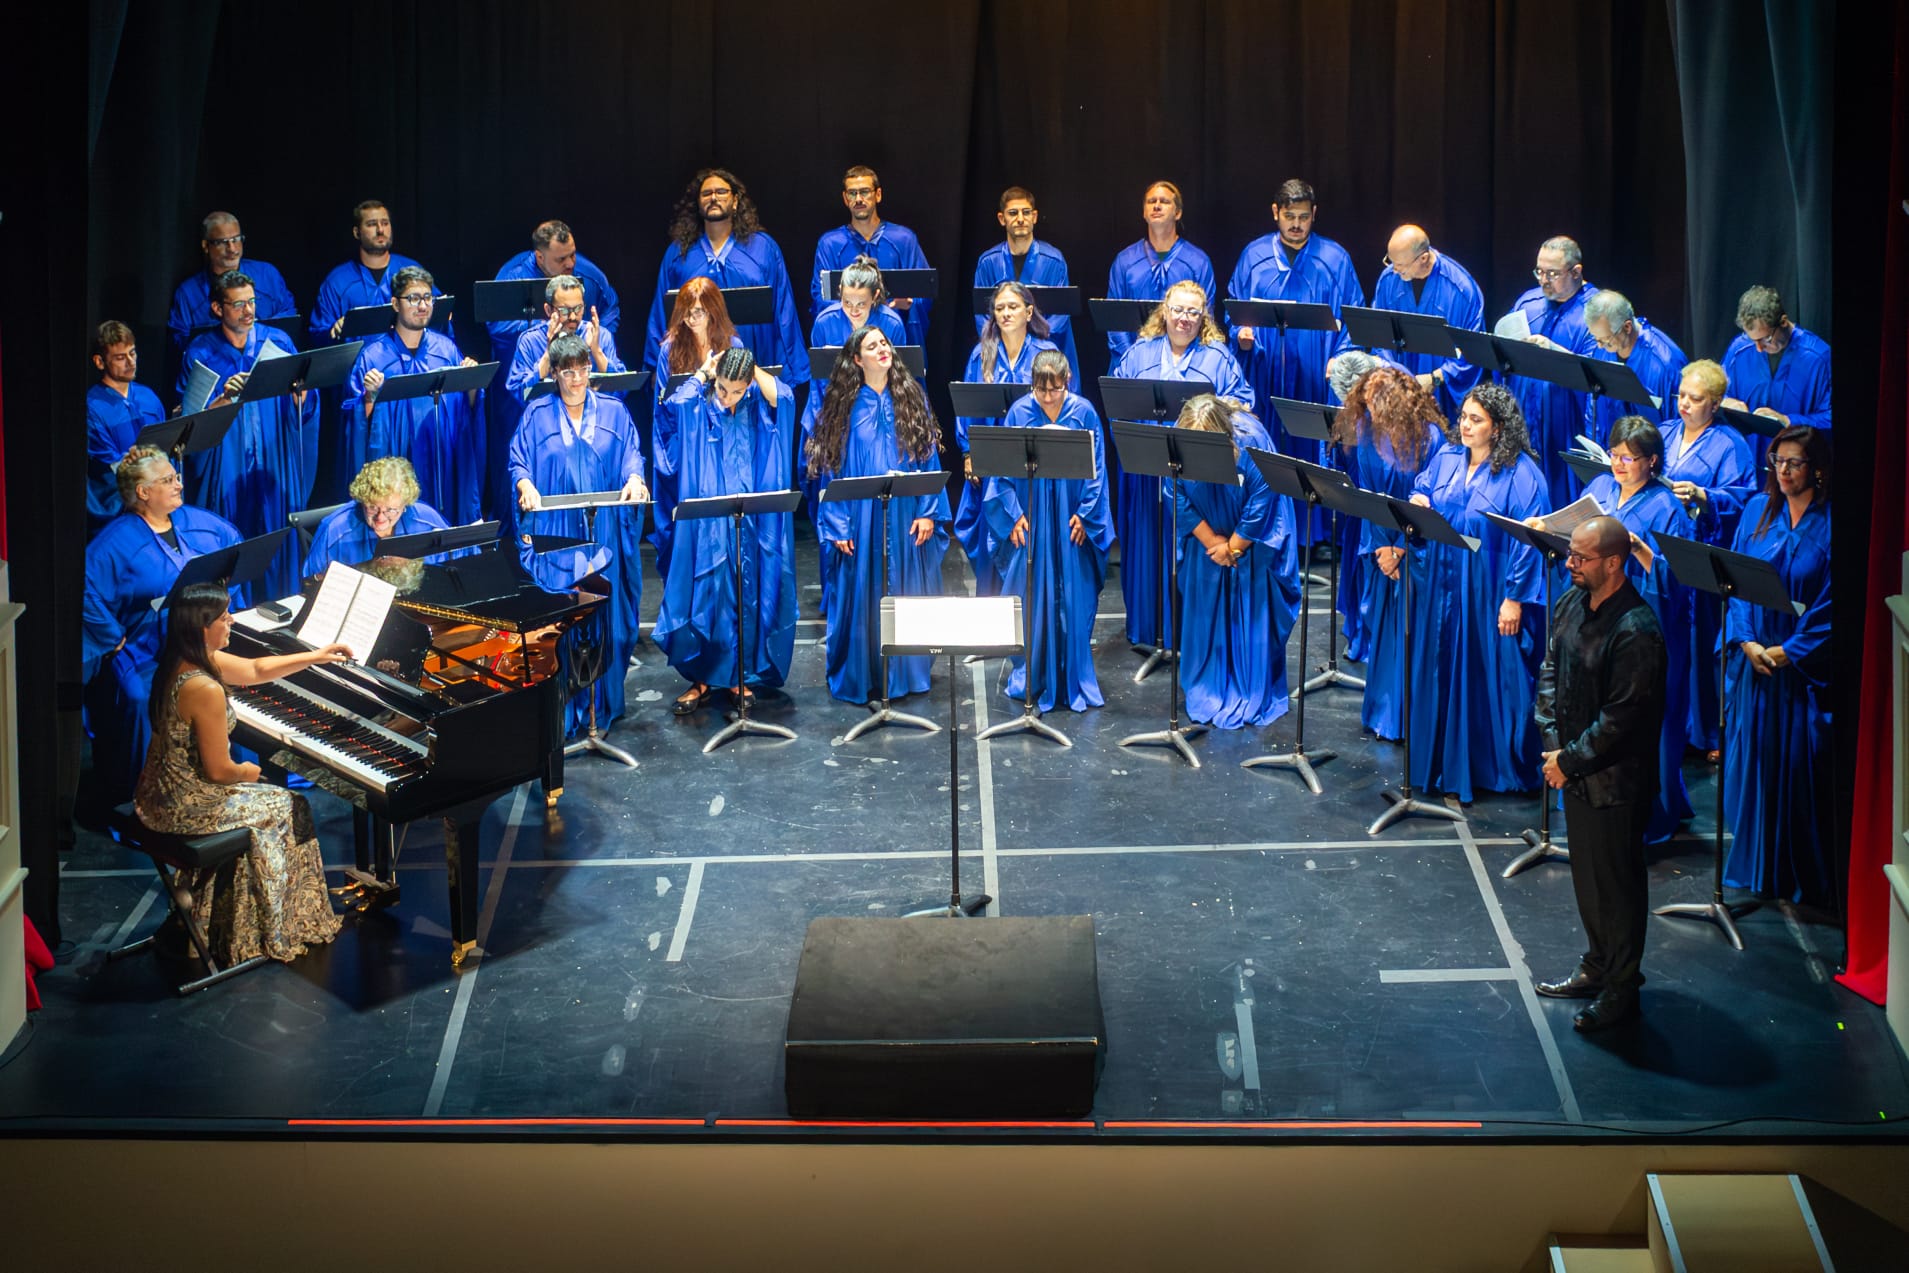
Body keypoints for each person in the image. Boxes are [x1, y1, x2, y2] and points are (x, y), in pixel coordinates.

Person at [133, 582, 348, 965]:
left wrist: (316, 656)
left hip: (158, 793)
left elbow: (254, 669)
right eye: (224, 617)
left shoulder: (184, 659)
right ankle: (272, 929)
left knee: (276, 800)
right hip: (185, 806)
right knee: (291, 805)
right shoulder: (204, 688)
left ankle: (212, 918)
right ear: (203, 627)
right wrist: (248, 771)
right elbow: (219, 771)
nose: (232, 620)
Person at [1534, 515, 1669, 1033]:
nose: (1569, 563)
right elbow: (1550, 670)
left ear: (1613, 563)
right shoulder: (1571, 601)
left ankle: (1622, 987)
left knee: (1617, 886)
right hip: (1573, 771)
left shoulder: (1637, 629)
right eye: (1571, 553)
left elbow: (1621, 719)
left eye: (1580, 557)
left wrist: (1567, 760)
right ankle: (1597, 965)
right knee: (1588, 881)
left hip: (1615, 782)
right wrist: (1554, 746)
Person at [1406, 383, 1551, 801]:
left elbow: (1530, 540)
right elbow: (1423, 487)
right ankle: (1440, 760)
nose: (1465, 426)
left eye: (1476, 420)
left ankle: (1492, 767)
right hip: (1444, 584)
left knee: (1491, 673)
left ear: (1498, 427)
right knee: (1440, 665)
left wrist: (1514, 598)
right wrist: (1419, 498)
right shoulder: (1448, 457)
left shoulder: (1523, 474)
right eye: (1464, 417)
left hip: (1490, 588)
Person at [82, 446, 245, 812]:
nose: (179, 484)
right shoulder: (115, 541)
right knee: (139, 697)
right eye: (168, 480)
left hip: (194, 645)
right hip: (144, 649)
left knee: (230, 682)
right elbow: (85, 590)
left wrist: (219, 604)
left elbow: (234, 547)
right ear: (143, 492)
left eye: (177, 476)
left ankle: (219, 779)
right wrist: (113, 637)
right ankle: (137, 801)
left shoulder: (196, 521)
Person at [509, 335, 649, 739]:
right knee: (564, 614)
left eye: (583, 370)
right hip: (558, 532)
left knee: (606, 613)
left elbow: (632, 455)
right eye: (568, 372)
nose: (577, 379)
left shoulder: (614, 411)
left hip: (602, 528)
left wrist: (635, 478)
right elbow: (518, 461)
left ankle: (600, 706)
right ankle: (566, 708)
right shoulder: (536, 414)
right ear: (555, 373)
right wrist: (524, 484)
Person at [807, 326, 949, 705]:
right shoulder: (843, 406)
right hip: (860, 516)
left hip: (905, 514)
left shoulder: (911, 397)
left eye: (884, 343)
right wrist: (837, 523)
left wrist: (928, 511)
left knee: (905, 587)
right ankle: (866, 672)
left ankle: (905, 673)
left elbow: (928, 458)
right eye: (872, 346)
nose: (882, 349)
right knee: (862, 590)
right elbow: (830, 471)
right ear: (857, 359)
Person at [1721, 426, 1833, 907]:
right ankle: (1755, 869)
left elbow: (1834, 604)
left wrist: (1792, 651)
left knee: (1798, 771)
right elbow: (1735, 583)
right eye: (1777, 462)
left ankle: (1796, 875)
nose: (1783, 471)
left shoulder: (1833, 525)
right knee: (1754, 765)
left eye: (1794, 463)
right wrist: (1746, 640)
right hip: (1757, 663)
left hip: (1800, 671)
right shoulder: (1755, 511)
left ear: (1818, 470)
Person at [1109, 280, 1252, 654]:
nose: (1184, 318)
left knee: (1189, 551)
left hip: (1197, 481)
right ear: (1164, 311)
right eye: (1177, 310)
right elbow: (1116, 403)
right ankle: (1151, 631)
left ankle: (1188, 637)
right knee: (1148, 551)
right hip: (1147, 476)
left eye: (1193, 312)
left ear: (1203, 317)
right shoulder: (1140, 352)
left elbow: (1242, 404)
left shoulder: (1217, 357)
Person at [1572, 416, 1695, 842]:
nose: (1618, 464)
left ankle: (1648, 814)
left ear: (1652, 461)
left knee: (1642, 718)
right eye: (1614, 455)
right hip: (1600, 619)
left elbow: (1679, 581)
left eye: (1629, 458)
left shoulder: (1667, 507)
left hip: (1645, 627)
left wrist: (1641, 550)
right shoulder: (1600, 488)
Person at [653, 348, 796, 714]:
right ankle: (702, 679)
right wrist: (704, 373)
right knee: (710, 596)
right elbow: (676, 404)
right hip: (709, 525)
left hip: (752, 522)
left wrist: (750, 365)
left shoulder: (756, 407)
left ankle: (738, 676)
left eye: (736, 390)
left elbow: (785, 397)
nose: (727, 397)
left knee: (747, 596)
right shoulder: (702, 408)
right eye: (722, 388)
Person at [1225, 178, 1362, 522]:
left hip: (1316, 378)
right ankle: (1265, 523)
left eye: (1303, 216)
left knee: (1313, 453)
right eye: (1289, 216)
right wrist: (1241, 334)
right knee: (1267, 451)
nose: (1296, 224)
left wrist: (1340, 358)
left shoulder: (1335, 259)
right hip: (1266, 374)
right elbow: (1234, 310)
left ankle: (1314, 531)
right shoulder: (1254, 256)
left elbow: (1353, 316)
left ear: (1314, 213)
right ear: (1275, 212)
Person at [175, 269, 317, 600]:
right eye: (238, 304)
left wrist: (301, 395)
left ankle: (283, 606)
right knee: (231, 533)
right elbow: (191, 421)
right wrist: (224, 397)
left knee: (277, 531)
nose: (248, 310)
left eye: (252, 302)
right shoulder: (200, 352)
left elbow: (304, 405)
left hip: (272, 453)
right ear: (217, 308)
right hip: (228, 459)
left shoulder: (278, 341)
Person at [986, 351, 1112, 712]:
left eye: (1054, 390)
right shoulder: (1019, 412)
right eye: (1040, 390)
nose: (1047, 397)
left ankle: (1071, 672)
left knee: (1073, 594)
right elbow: (1002, 470)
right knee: (1032, 591)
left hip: (1071, 513)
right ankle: (1034, 670)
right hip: (1033, 512)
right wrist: (1013, 516)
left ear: (1067, 381)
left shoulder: (1084, 412)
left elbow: (1098, 469)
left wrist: (1086, 515)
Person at [1172, 394, 1300, 729]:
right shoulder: (1180, 437)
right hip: (1207, 542)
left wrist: (1234, 546)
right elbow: (1173, 490)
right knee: (1205, 614)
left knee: (1251, 614)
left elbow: (1264, 498)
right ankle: (1208, 684)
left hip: (1250, 543)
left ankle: (1248, 686)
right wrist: (1212, 542)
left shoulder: (1251, 440)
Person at [485, 220, 623, 519]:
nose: (571, 263)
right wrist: (548, 350)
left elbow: (620, 389)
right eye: (562, 259)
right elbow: (518, 390)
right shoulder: (530, 337)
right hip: (546, 433)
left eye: (578, 309)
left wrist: (597, 349)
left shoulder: (595, 329)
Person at [1332, 364, 1441, 739]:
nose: (1368, 411)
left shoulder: (1429, 439)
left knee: (1413, 632)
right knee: (1383, 629)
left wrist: (1401, 549)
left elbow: (1431, 500)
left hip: (1417, 547)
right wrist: (1383, 546)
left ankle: (1410, 719)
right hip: (1379, 542)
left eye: (1375, 405)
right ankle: (1384, 714)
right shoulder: (1367, 432)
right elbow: (1368, 492)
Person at [1660, 359, 1756, 755]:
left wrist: (1704, 495)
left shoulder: (1730, 444)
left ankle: (1706, 732)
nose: (1684, 404)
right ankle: (1666, 721)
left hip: (1701, 553)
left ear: (1715, 404)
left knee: (1699, 641)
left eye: (1695, 399)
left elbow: (1745, 499)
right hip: (1661, 549)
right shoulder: (1665, 432)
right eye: (1681, 395)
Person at [340, 266, 484, 524]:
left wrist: (471, 384)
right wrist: (370, 396)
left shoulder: (446, 350)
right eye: (414, 298)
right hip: (397, 458)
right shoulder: (374, 357)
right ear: (396, 304)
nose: (423, 305)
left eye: (428, 298)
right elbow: (356, 422)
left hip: (441, 458)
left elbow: (467, 410)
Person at [645, 168, 810, 388]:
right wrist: (656, 366)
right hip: (695, 366)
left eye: (721, 192)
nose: (713, 197)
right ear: (698, 203)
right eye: (706, 193)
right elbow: (662, 313)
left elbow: (783, 311)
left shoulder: (763, 249)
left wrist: (791, 372)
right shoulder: (678, 253)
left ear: (735, 201)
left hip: (754, 358)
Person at [954, 282, 1059, 596]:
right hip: (992, 461)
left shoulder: (1046, 354)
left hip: (1034, 461)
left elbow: (1061, 401)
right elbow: (967, 408)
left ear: (1028, 311)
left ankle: (1032, 610)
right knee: (993, 537)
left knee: (1029, 535)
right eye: (999, 308)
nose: (1006, 313)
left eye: (1013, 307)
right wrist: (968, 453)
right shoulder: (981, 354)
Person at [655, 277, 747, 580]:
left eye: (699, 312)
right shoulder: (670, 349)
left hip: (722, 446)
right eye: (687, 312)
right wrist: (701, 378)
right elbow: (665, 407)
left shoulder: (732, 345)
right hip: (685, 447)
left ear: (713, 310)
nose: (692, 319)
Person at [1497, 236, 1600, 506]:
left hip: (1566, 427)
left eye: (1552, 273)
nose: (1543, 280)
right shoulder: (1528, 303)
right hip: (1525, 422)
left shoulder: (1595, 312)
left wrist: (1555, 353)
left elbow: (1596, 374)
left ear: (1576, 272)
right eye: (1539, 271)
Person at [810, 166, 934, 354]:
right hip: (847, 343)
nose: (859, 199)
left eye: (865, 192)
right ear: (845, 198)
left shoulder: (903, 239)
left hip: (894, 339)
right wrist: (857, 310)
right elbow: (820, 297)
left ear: (878, 194)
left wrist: (908, 303)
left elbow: (924, 290)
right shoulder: (830, 244)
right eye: (852, 193)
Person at [1368, 224, 1482, 421]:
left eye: (1400, 265)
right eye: (1390, 262)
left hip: (1439, 396)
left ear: (1423, 258)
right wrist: (1393, 372)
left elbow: (1472, 349)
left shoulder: (1461, 291)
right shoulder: (1389, 280)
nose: (1394, 270)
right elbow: (1379, 333)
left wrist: (1435, 378)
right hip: (1397, 393)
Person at [301, 455, 467, 578]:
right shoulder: (335, 529)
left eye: (391, 510)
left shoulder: (427, 521)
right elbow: (311, 581)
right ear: (362, 500)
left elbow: (462, 562)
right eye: (372, 507)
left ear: (405, 505)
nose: (381, 518)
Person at [973, 186, 1078, 379]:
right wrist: (1008, 341)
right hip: (1001, 353)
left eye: (1026, 212)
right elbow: (982, 316)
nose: (1020, 218)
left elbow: (1061, 316)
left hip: (1047, 352)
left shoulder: (1054, 261)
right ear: (1002, 219)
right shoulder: (988, 262)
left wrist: (1029, 344)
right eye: (1013, 213)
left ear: (1034, 217)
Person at [1105, 181, 1217, 359]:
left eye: (1164, 201)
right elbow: (1114, 319)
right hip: (1130, 361)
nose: (1156, 206)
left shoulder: (1197, 262)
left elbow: (1205, 317)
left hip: (1185, 362)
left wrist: (1181, 361)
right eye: (1151, 201)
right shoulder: (1125, 261)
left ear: (1177, 213)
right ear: (1144, 212)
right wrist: (1133, 360)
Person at [167, 212, 297, 356]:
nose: (232, 249)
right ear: (206, 245)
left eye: (236, 239)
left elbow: (289, 316)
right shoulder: (188, 292)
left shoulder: (268, 274)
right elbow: (180, 340)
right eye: (223, 242)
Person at [310, 200, 438, 343]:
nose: (380, 230)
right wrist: (333, 331)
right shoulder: (337, 282)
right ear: (357, 232)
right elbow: (318, 334)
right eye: (371, 224)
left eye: (385, 223)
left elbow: (440, 316)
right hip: (357, 357)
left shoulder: (412, 272)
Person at [86, 321, 166, 533]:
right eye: (120, 357)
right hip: (120, 505)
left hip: (158, 499)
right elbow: (109, 461)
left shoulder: (147, 396)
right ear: (100, 362)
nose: (130, 362)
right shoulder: (93, 407)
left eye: (132, 353)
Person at [1581, 290, 1686, 449]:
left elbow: (1677, 427)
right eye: (1596, 339)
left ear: (1627, 327)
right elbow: (1593, 409)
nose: (1600, 346)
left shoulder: (1665, 364)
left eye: (1606, 340)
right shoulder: (1601, 351)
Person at [1720, 285, 1831, 434]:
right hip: (1748, 447)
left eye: (1766, 339)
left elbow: (1829, 417)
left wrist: (1788, 421)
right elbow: (1715, 393)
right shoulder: (1739, 349)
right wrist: (1726, 402)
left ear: (1783, 322)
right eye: (1752, 340)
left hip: (1794, 446)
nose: (1759, 348)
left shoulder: (1818, 358)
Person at [505, 273, 627, 402]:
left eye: (578, 308)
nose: (573, 317)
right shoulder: (530, 341)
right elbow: (519, 394)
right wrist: (548, 354)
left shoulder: (600, 336)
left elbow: (622, 391)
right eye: (564, 310)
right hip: (547, 413)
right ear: (548, 310)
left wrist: (597, 352)